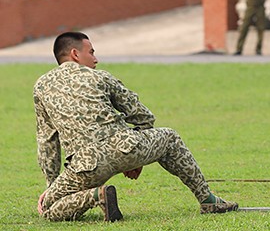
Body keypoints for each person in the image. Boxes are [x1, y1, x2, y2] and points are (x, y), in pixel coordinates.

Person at [34, 32, 237, 222]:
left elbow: (47, 141)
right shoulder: (101, 77)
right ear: (75, 54)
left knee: (48, 207)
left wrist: (52, 186)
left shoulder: (41, 86)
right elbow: (142, 115)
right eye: (92, 52)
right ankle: (208, 200)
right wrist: (135, 156)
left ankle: (96, 196)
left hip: (86, 165)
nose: (96, 59)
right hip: (124, 147)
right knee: (170, 137)